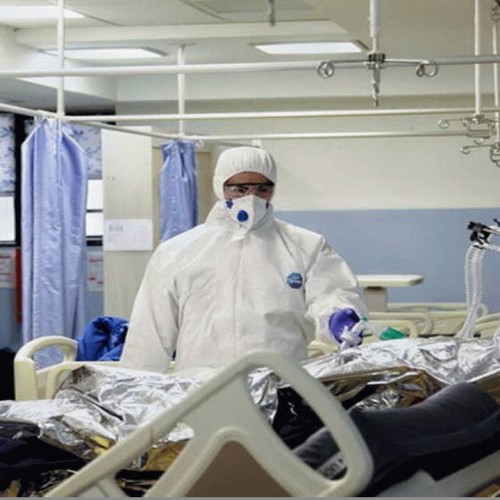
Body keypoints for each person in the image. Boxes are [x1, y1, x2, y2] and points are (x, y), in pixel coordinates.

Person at [120, 146, 367, 373]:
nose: (252, 198)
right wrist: (137, 392)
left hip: (282, 383)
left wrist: (337, 315)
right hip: (202, 389)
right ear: (220, 187)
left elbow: (330, 292)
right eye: (239, 189)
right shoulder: (177, 252)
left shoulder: (306, 245)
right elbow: (149, 332)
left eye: (263, 189)